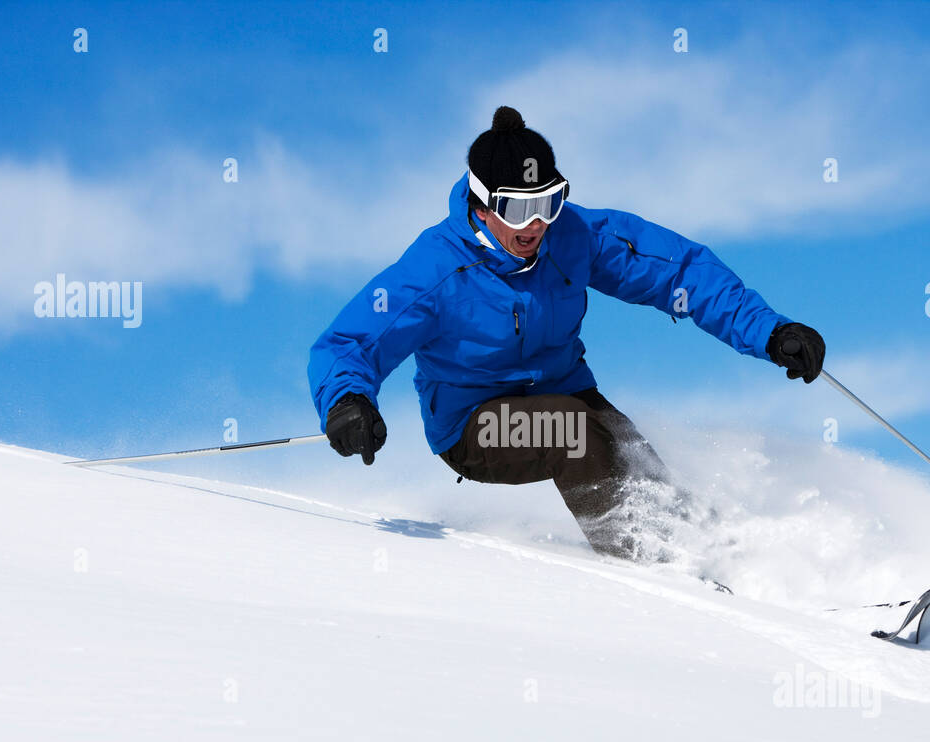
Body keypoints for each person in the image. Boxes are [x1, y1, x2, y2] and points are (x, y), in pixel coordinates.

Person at [307, 106, 825, 560]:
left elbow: (680, 271)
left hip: (564, 392)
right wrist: (346, 401)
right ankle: (658, 569)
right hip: (472, 425)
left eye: (549, 202)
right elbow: (351, 341)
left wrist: (771, 332)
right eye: (517, 208)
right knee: (572, 433)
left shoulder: (572, 237)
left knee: (628, 451)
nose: (535, 225)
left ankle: (717, 561)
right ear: (482, 205)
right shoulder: (438, 271)